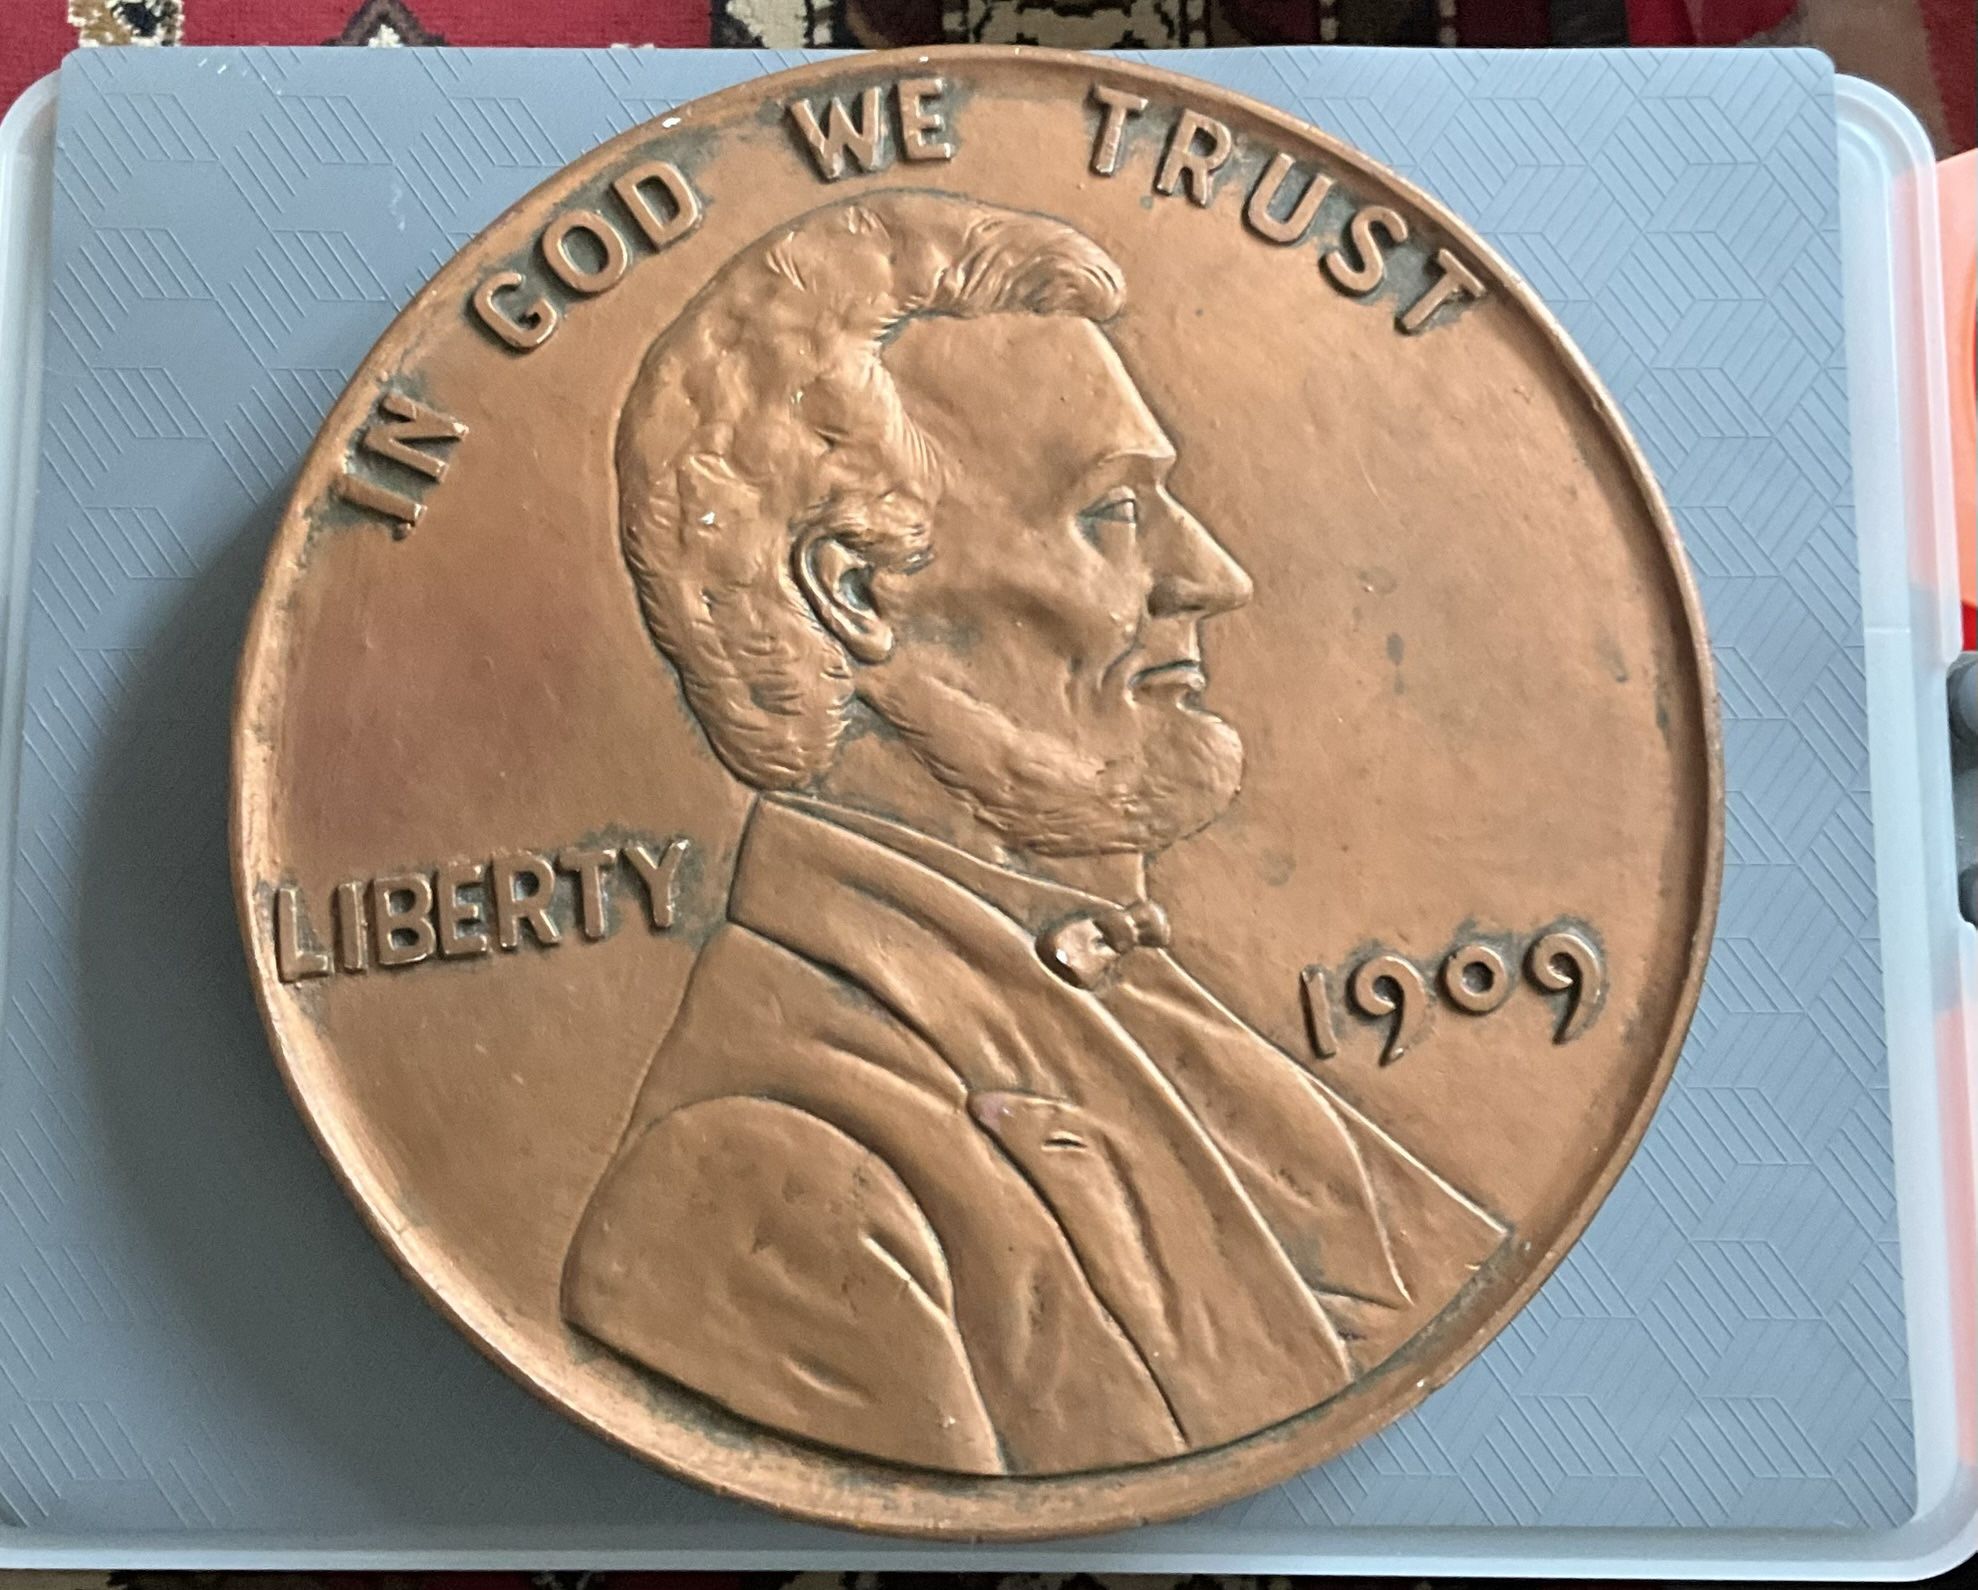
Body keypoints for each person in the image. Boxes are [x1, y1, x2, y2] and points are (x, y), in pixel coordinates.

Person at [562, 191, 1505, 1476]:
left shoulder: (1136, 998)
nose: (1211, 574)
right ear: (853, 592)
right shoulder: (756, 1188)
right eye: (1112, 510)